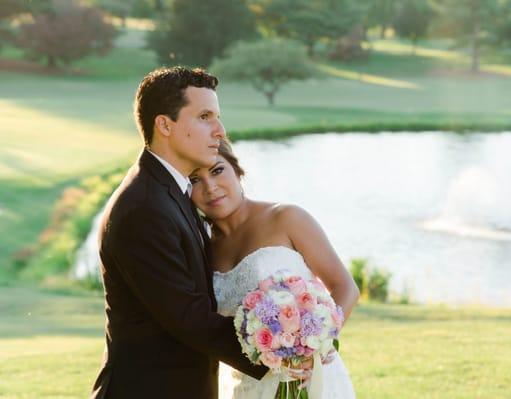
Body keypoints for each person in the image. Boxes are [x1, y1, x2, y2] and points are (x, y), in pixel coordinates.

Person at [90, 67, 268, 399]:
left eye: (217, 117)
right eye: (204, 117)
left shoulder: (171, 190)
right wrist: (276, 353)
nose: (219, 130)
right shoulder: (143, 207)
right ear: (165, 125)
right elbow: (189, 318)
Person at [190, 138, 360, 399]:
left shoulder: (287, 218)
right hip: (245, 388)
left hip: (309, 378)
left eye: (217, 170)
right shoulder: (202, 250)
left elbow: (345, 287)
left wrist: (317, 348)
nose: (210, 187)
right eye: (195, 179)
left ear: (237, 170)